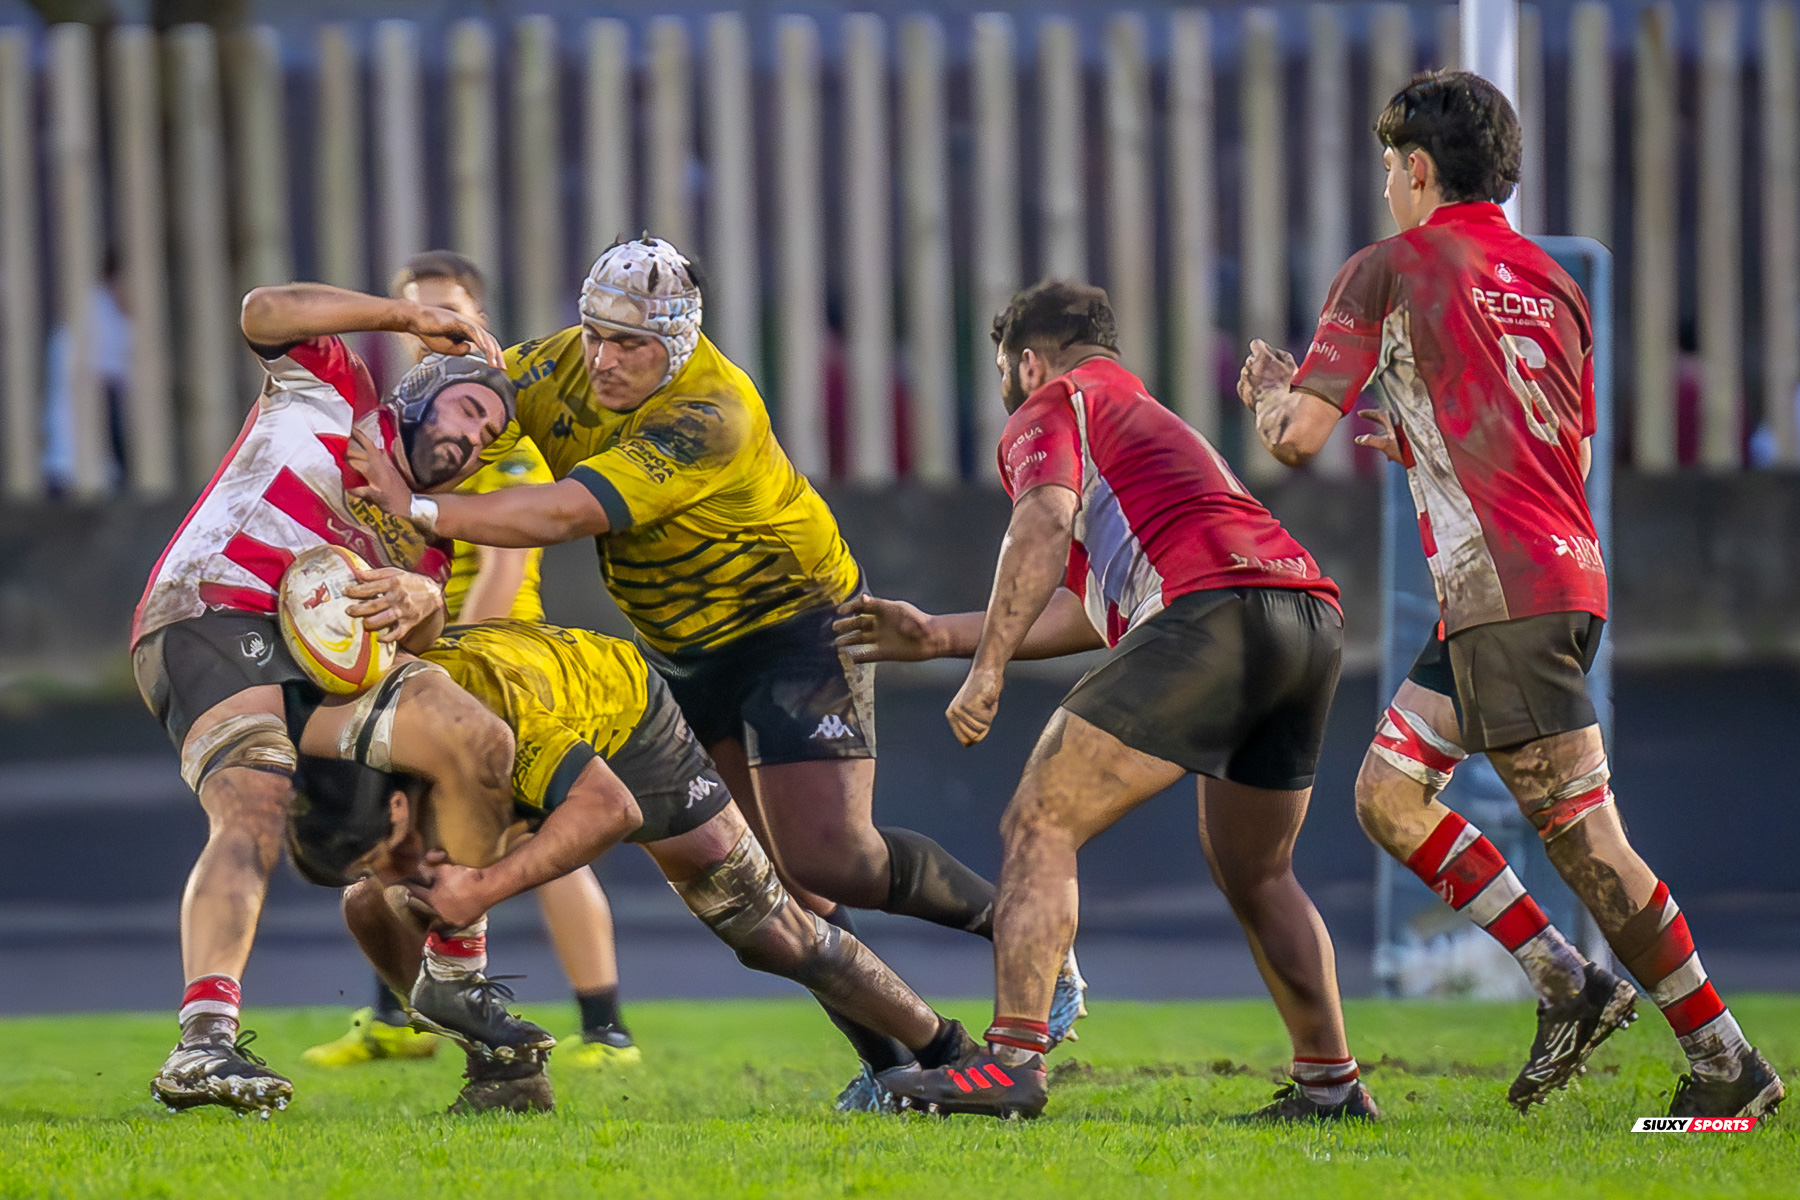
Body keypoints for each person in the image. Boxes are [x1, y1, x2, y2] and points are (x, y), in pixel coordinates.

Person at [347, 235, 1085, 1109]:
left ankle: (1030, 936)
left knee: (834, 857)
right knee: (782, 887)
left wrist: (418, 508)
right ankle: (895, 1068)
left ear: (680, 345)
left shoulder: (710, 411)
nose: (605, 360)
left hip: (794, 626)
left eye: (632, 346)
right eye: (595, 336)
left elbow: (567, 510)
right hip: (679, 647)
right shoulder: (557, 365)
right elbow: (468, 404)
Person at [1238, 69, 1784, 1120]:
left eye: (1390, 171)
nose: (1387, 189)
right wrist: (1423, 438)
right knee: (1389, 794)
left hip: (1507, 591)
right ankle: (1566, 983)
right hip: (1553, 573)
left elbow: (1298, 440)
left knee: (1588, 842)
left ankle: (1728, 1065)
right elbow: (1560, 445)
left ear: (1416, 169)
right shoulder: (1553, 280)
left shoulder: (1390, 268)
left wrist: (1268, 395)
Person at [835, 281, 1375, 1123]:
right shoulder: (1146, 423)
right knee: (1256, 869)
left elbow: (1041, 526)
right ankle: (1332, 1087)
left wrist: (986, 671)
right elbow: (1093, 607)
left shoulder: (1053, 401)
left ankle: (1010, 1063)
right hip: (1307, 617)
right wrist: (943, 635)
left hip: (1214, 613)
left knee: (1041, 818)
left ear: (1025, 360)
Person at [284, 618, 981, 1114]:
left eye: (385, 852)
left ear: (400, 812)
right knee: (372, 907)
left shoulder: (492, 728)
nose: (396, 867)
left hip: (622, 721)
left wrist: (484, 888)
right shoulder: (339, 735)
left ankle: (950, 1053)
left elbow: (609, 808)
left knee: (766, 928)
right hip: (500, 718)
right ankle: (504, 1070)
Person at [132, 281, 519, 1115]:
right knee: (254, 802)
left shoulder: (429, 534)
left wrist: (425, 611)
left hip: (321, 671)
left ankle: (457, 979)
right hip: (214, 608)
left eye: (488, 434)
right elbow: (260, 311)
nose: (472, 438)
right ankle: (204, 1045)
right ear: (420, 394)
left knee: (476, 740)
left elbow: (404, 644)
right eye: (465, 411)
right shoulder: (335, 388)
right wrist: (405, 316)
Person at [302, 251, 638, 1071]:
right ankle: (400, 1017)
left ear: (478, 320)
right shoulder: (393, 434)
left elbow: (504, 574)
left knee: (530, 840)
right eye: (419, 316)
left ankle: (605, 1030)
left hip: (493, 662)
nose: (432, 337)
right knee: (403, 841)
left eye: (449, 315)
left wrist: (452, 671)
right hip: (412, 658)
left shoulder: (499, 441)